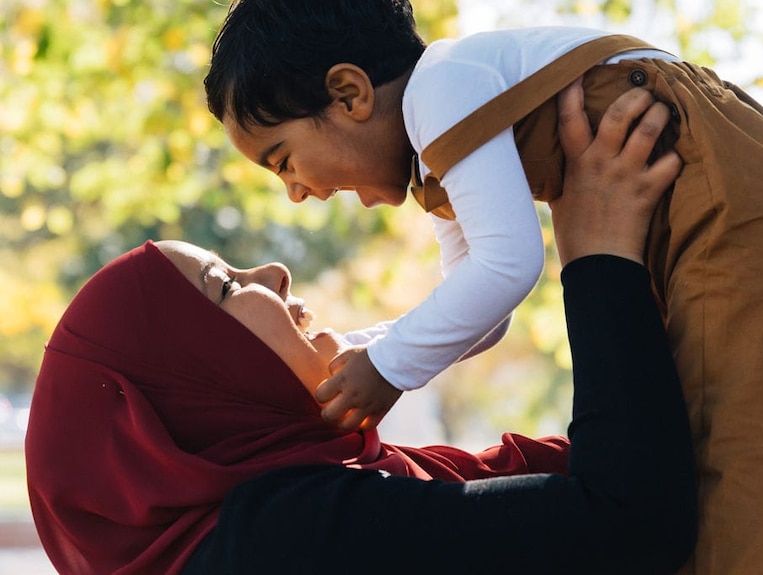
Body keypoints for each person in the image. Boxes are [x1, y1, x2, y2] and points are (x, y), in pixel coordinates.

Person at [202, 2, 763, 574]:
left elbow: (509, 267)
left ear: (348, 94)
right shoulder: (442, 148)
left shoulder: (442, 89)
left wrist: (390, 367)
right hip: (732, 199)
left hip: (728, 194)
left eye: (283, 159)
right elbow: (481, 306)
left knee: (724, 463)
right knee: (758, 464)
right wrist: (367, 345)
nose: (294, 191)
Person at [25, 89, 696, 574]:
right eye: (226, 286)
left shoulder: (282, 515)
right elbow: (630, 519)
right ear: (188, 388)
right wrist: (600, 254)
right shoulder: (280, 539)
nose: (276, 272)